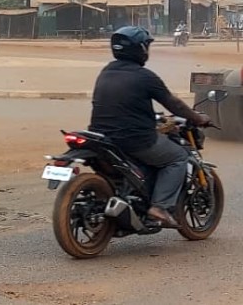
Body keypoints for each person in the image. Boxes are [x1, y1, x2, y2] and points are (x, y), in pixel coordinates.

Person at [89, 26, 210, 228]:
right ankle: (159, 207)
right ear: (141, 49)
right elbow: (175, 105)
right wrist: (198, 118)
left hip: (101, 138)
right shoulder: (145, 76)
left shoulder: (106, 72)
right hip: (135, 140)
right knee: (178, 157)